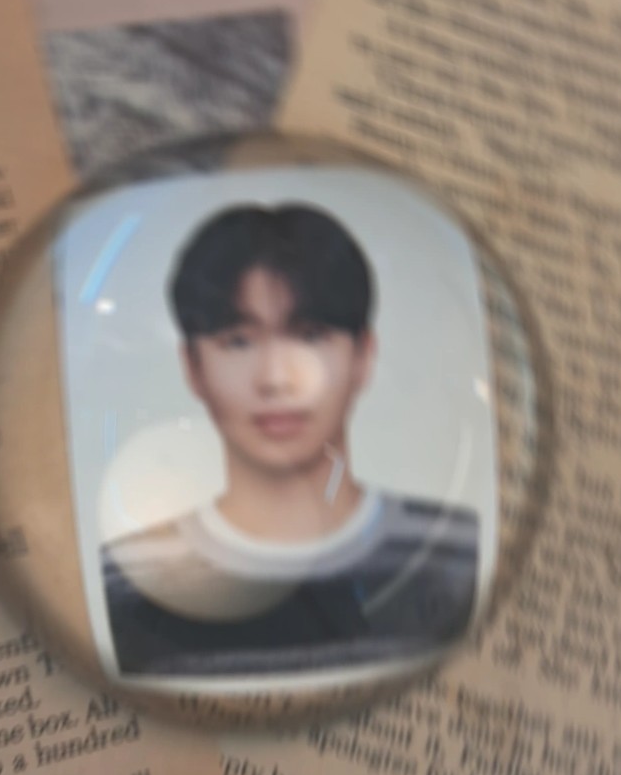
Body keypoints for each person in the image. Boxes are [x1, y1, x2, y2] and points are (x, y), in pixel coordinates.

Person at [101, 202, 479, 676]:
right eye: (238, 341)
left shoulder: (457, 552)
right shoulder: (125, 578)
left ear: (363, 355)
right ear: (193, 367)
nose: (276, 380)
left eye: (311, 336)